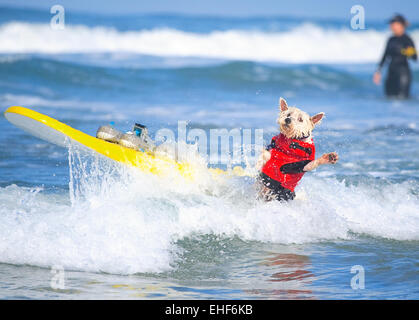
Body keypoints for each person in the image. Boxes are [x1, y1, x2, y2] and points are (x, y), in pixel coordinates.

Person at [373, 14, 417, 99]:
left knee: (402, 98)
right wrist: (378, 71)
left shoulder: (407, 39)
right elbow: (385, 56)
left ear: (401, 25)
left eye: (393, 24)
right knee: (389, 98)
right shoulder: (391, 39)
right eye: (391, 24)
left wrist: (408, 52)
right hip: (391, 73)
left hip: (403, 74)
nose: (391, 26)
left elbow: (414, 58)